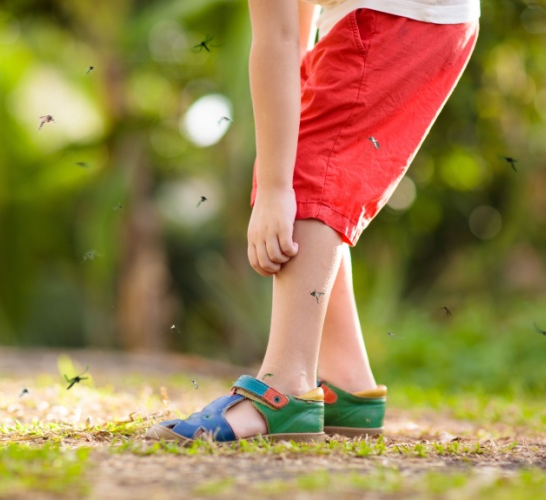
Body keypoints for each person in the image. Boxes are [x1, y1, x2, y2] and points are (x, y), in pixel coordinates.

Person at [146, 0, 480, 442]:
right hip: (407, 16)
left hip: (395, 16)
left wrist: (279, 190)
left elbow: (279, 38)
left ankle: (287, 385)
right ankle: (347, 382)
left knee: (305, 173)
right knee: (294, 155)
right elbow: (295, 29)